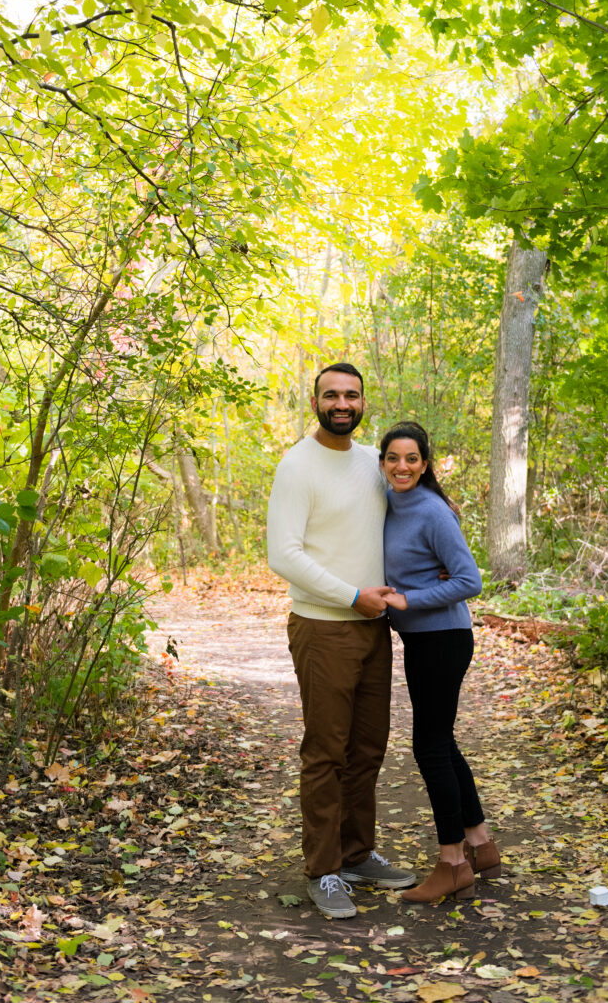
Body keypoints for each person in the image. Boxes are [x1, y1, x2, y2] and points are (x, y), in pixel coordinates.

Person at [266, 363, 416, 919]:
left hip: (374, 628)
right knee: (326, 752)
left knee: (367, 751)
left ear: (363, 400)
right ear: (315, 400)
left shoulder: (370, 463)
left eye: (351, 394)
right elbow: (284, 554)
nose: (342, 402)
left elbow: (402, 509)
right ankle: (324, 870)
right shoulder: (297, 465)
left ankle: (357, 854)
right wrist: (351, 594)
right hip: (324, 628)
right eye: (331, 394)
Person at [378, 421, 501, 904]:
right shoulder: (388, 502)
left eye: (412, 458)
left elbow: (469, 580)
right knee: (441, 742)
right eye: (392, 458)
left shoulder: (431, 511)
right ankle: (480, 844)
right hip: (425, 640)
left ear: (425, 464)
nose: (402, 466)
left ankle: (452, 864)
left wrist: (409, 601)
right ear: (382, 462)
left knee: (429, 747)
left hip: (443, 638)